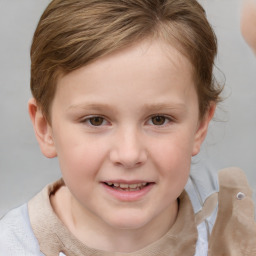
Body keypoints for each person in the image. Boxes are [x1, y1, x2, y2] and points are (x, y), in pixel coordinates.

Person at [1, 0, 256, 255]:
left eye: (159, 119)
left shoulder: (241, 234)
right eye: (96, 120)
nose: (129, 154)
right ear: (45, 128)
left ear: (200, 125)